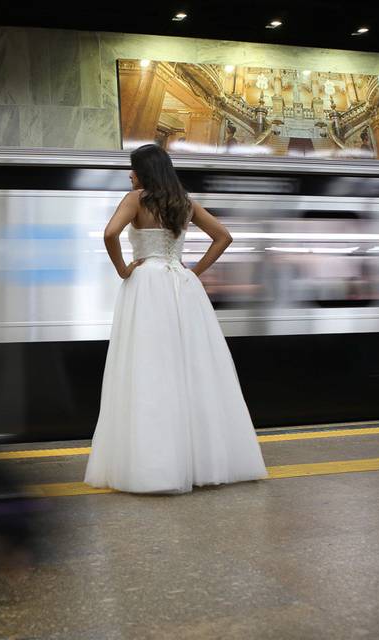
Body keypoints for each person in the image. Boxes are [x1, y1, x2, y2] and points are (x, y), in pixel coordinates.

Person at [84, 144, 267, 494]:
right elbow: (223, 237)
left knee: (149, 372)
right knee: (193, 371)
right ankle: (203, 462)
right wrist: (194, 270)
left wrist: (124, 269)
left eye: (132, 168)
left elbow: (110, 234)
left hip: (147, 287)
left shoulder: (135, 199)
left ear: (143, 171)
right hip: (183, 287)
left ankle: (155, 466)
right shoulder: (184, 201)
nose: (129, 174)